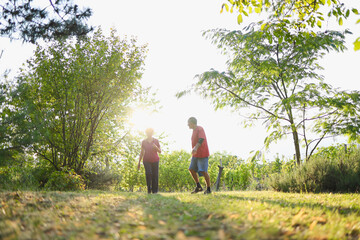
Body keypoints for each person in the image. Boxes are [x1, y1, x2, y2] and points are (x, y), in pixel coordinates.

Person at [187, 117, 211, 194]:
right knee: (191, 169)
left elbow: (201, 139)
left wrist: (195, 148)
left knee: (203, 171)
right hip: (196, 155)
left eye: (188, 123)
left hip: (202, 153)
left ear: (192, 123)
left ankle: (208, 189)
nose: (187, 125)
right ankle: (198, 186)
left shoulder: (200, 129)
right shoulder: (194, 131)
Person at [138, 128, 161, 194]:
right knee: (148, 173)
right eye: (148, 133)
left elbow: (160, 151)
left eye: (150, 132)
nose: (149, 134)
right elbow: (141, 152)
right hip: (146, 160)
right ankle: (149, 188)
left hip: (155, 160)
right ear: (146, 133)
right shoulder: (144, 142)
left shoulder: (156, 141)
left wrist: (156, 147)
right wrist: (139, 162)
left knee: (155, 175)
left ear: (152, 133)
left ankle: (155, 191)